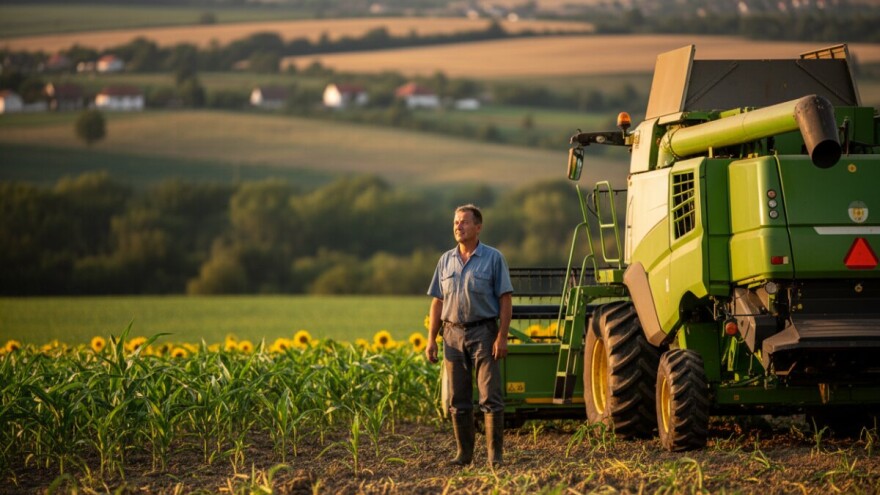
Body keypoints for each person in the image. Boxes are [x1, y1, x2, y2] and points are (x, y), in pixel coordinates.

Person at [425, 204, 513, 467]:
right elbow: (437, 302)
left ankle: (494, 456)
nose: (458, 227)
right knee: (458, 399)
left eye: (464, 222)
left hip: (484, 333)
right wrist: (431, 338)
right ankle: (464, 455)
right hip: (451, 335)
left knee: (490, 396)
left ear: (478, 227)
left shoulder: (494, 258)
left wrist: (502, 336)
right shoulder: (445, 260)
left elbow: (505, 299)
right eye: (455, 222)